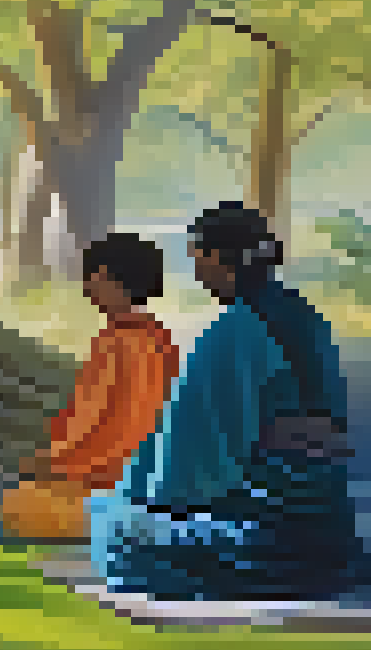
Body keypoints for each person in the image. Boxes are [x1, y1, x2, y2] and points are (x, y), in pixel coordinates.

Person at [92, 202, 364, 600]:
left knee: (112, 528)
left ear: (218, 259)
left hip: (264, 540)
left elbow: (186, 470)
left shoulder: (232, 332)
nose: (196, 272)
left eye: (198, 259)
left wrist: (139, 502)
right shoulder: (307, 317)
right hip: (331, 533)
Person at [0, 233, 179, 540]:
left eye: (92, 277)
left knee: (20, 504)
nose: (87, 287)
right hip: (152, 472)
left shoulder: (115, 342)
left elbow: (92, 420)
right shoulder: (160, 338)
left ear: (110, 279)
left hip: (107, 473)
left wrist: (52, 461)